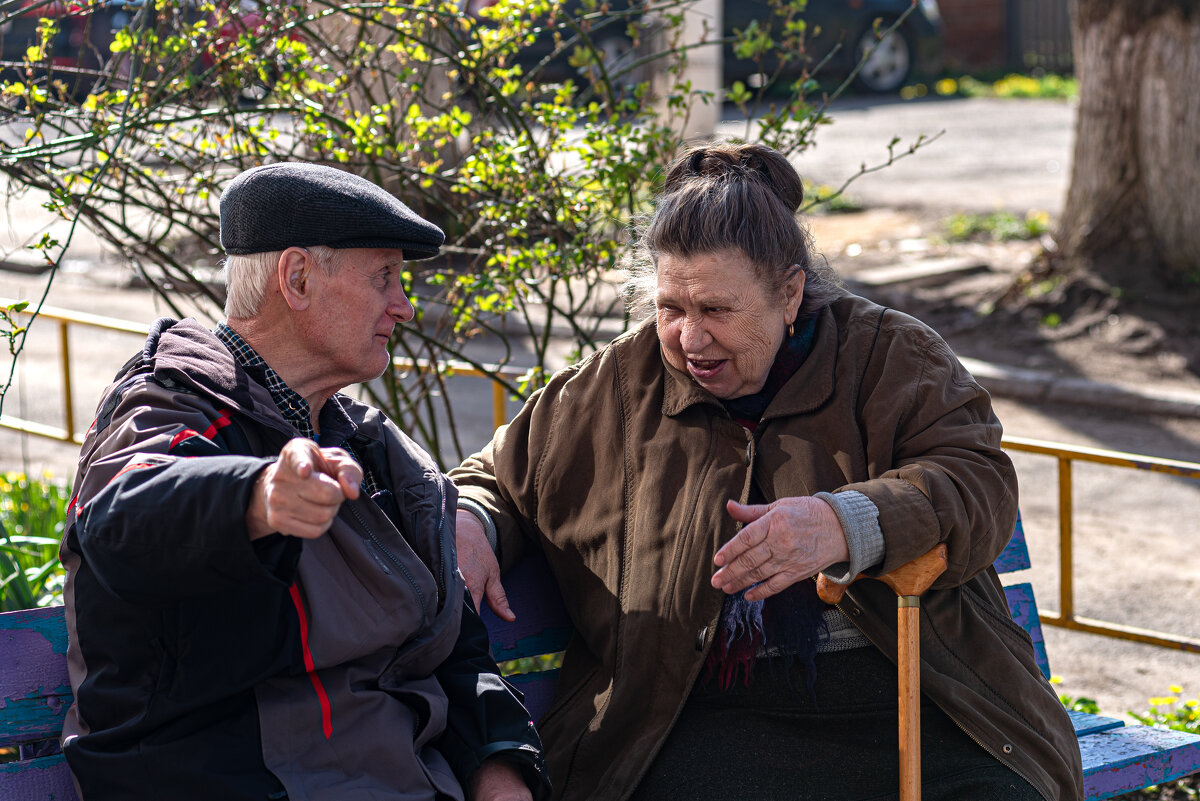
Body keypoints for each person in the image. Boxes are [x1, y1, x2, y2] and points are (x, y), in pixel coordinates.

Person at [449, 143, 1085, 801]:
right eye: (672, 307)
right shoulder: (616, 385)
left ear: (789, 292)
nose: (691, 338)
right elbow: (497, 475)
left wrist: (845, 522)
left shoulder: (891, 355)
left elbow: (977, 481)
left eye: (717, 311)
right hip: (702, 720)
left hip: (919, 702)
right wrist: (472, 519)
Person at [59, 162, 549, 801]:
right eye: (383, 279)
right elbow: (122, 518)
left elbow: (452, 652)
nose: (402, 308)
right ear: (296, 278)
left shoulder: (373, 448)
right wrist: (256, 499)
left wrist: (500, 771)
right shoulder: (169, 408)